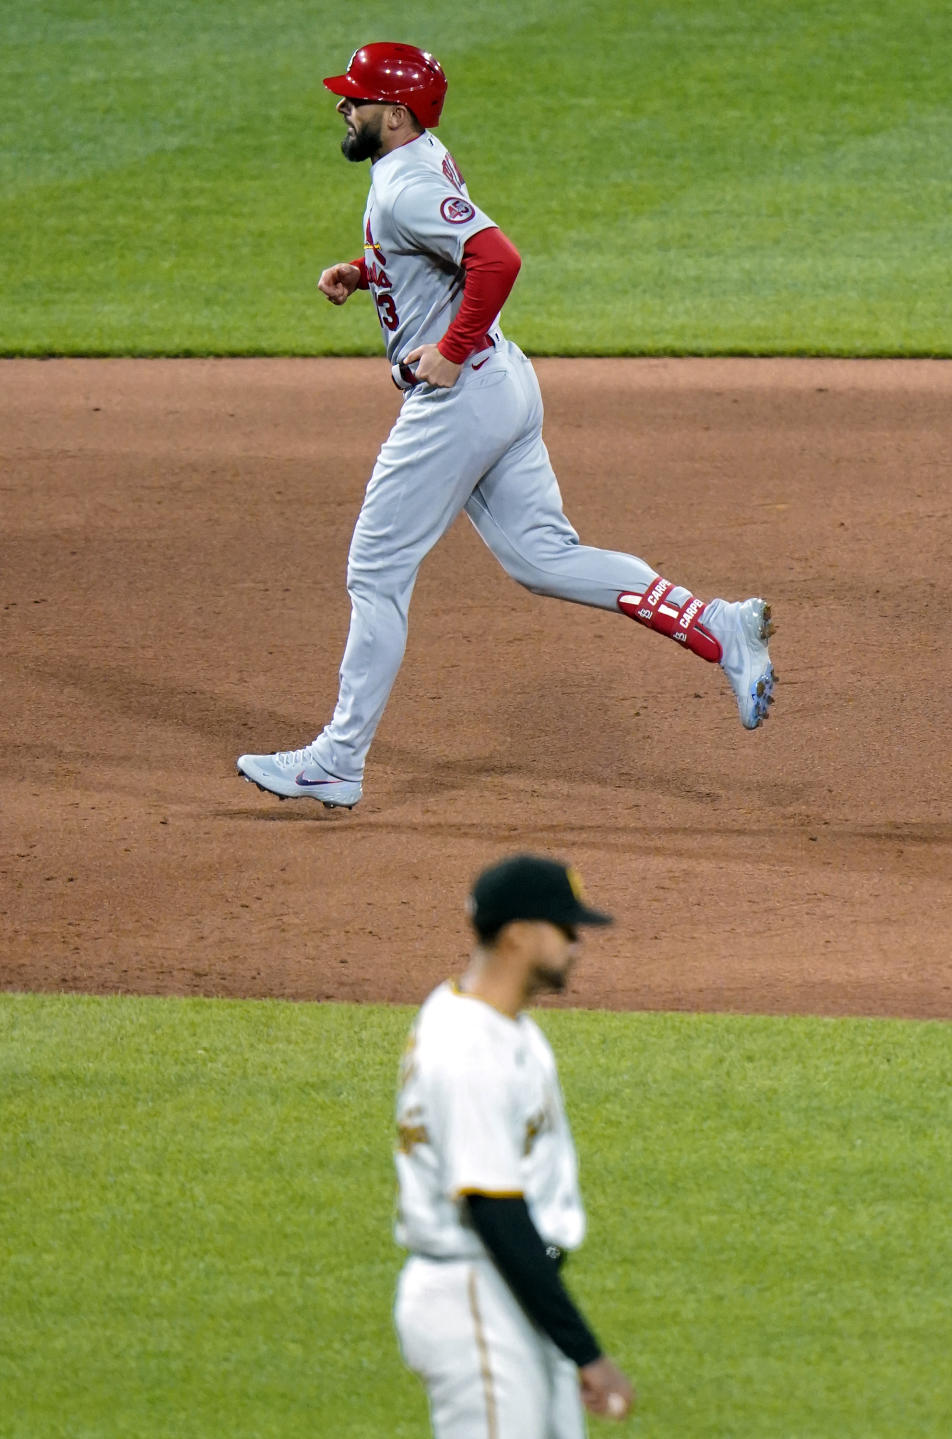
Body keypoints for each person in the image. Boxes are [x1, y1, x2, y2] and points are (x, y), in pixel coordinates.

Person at [237, 42, 776, 811]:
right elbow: (448, 252)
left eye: (356, 99)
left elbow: (499, 258)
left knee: (376, 571)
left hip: (460, 399)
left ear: (394, 115)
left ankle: (337, 759)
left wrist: (451, 352)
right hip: (505, 385)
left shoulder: (403, 185)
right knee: (544, 557)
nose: (343, 108)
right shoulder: (418, 161)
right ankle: (718, 626)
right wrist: (371, 272)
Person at [393, 853, 635, 1436]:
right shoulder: (470, 1050)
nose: (578, 942)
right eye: (566, 928)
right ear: (519, 936)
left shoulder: (495, 1024)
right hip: (477, 1295)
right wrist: (585, 1350)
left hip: (512, 1291)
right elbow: (495, 1211)